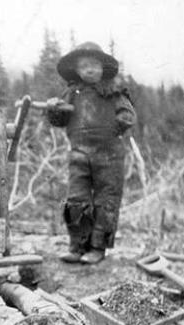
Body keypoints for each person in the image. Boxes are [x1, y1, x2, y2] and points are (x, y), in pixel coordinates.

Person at [46, 42, 137, 264]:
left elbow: (128, 114)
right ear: (76, 70)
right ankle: (77, 246)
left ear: (103, 68)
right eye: (84, 66)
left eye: (94, 65)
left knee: (106, 201)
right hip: (79, 154)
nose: (90, 70)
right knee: (77, 199)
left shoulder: (114, 92)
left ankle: (98, 248)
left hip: (110, 156)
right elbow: (59, 120)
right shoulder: (70, 94)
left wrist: (117, 124)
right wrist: (53, 109)